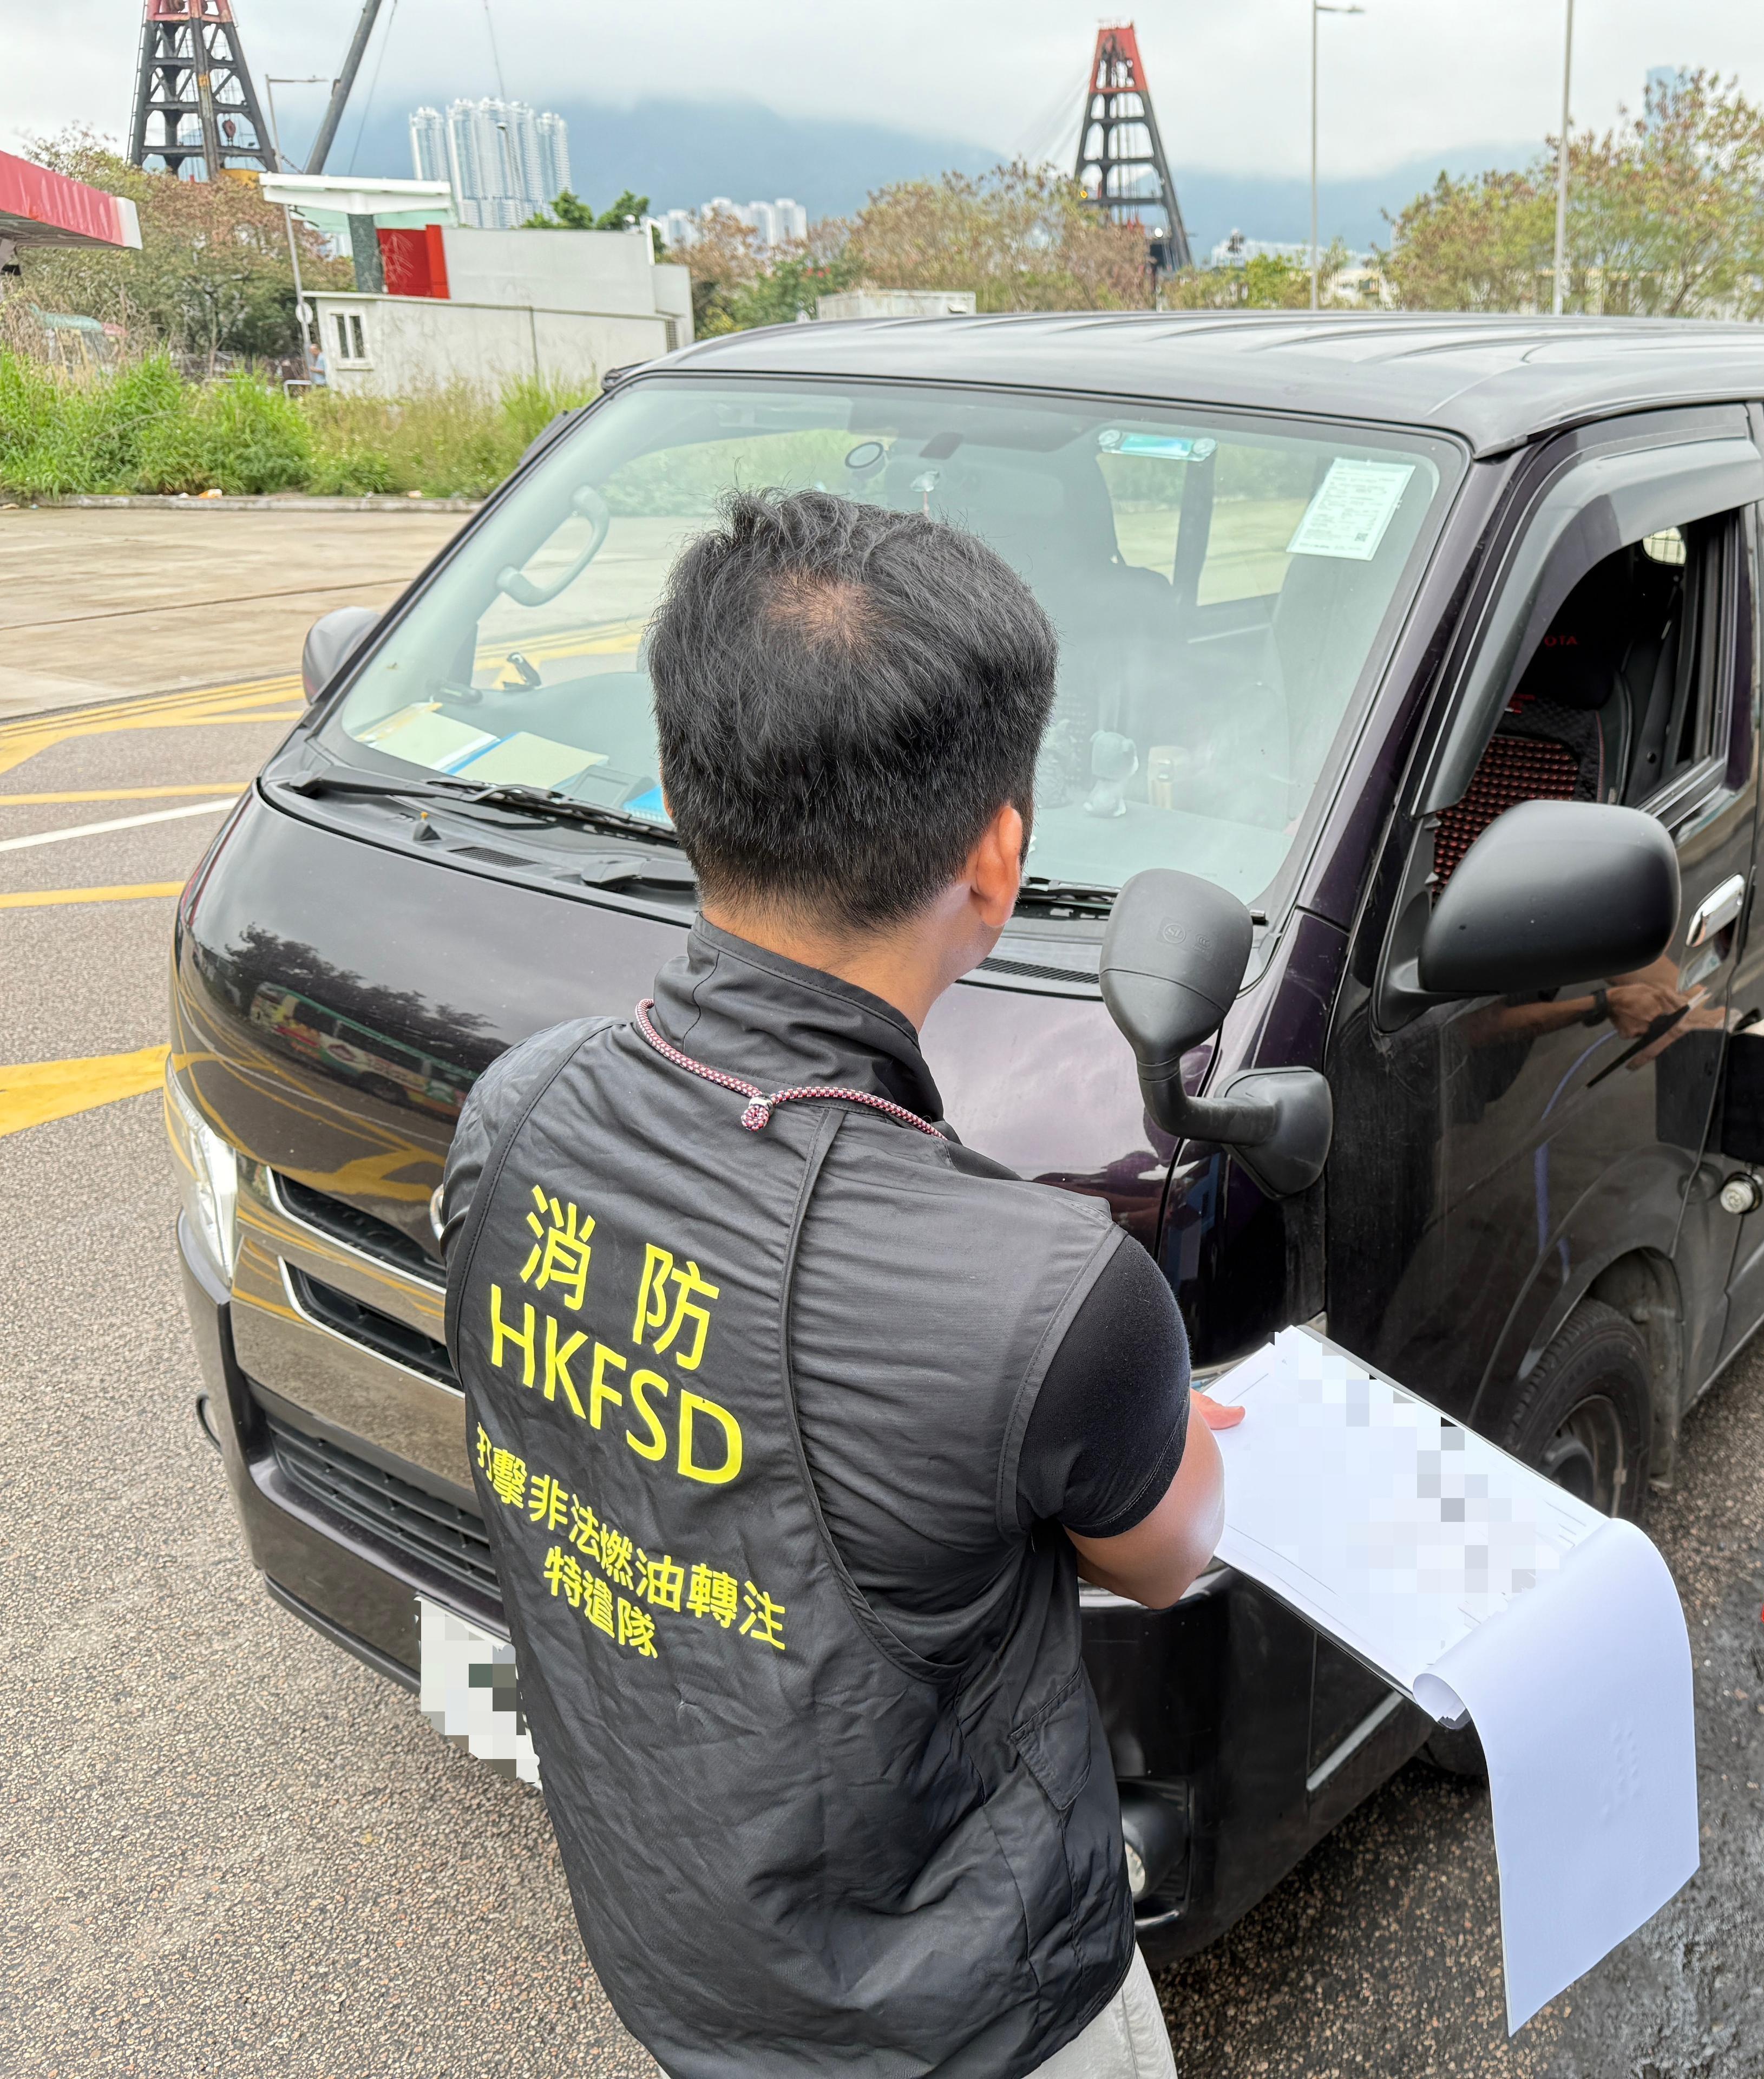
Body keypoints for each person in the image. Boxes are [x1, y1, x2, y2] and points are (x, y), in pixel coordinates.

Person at [436, 489, 1239, 2076]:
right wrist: (1174, 1432)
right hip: (975, 2023)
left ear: (683, 786)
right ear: (998, 859)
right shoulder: (1042, 1290)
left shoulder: (519, 1110)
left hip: (675, 1958)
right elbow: (1173, 1556)